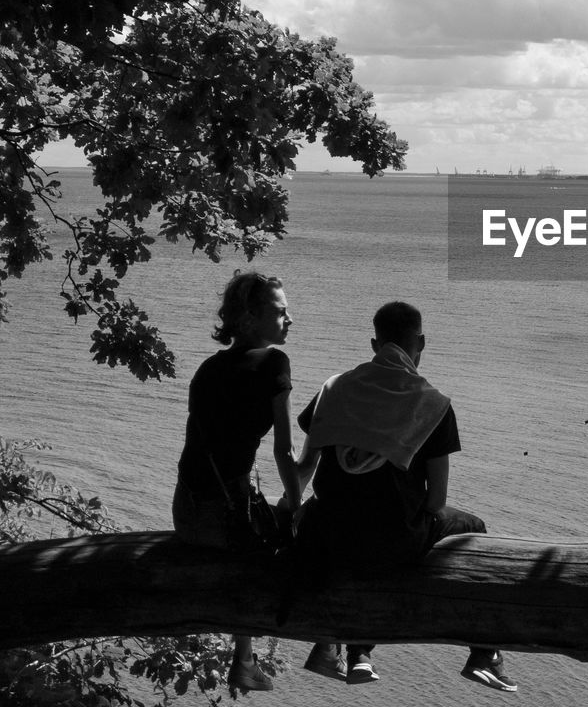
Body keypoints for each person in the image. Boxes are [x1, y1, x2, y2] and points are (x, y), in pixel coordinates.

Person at [294, 301, 517, 692]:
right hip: (393, 542)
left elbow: (305, 467)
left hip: (325, 534)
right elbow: (435, 501)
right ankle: (484, 653)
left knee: (351, 521)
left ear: (373, 343)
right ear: (422, 344)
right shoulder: (433, 405)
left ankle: (343, 647)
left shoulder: (334, 388)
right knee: (473, 526)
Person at [172, 270, 303, 693]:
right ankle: (325, 647)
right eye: (280, 312)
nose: (289, 320)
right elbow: (284, 452)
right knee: (293, 546)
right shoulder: (273, 363)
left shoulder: (208, 368)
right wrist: (297, 504)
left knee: (253, 529)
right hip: (221, 519)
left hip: (186, 511)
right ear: (249, 318)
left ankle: (244, 659)